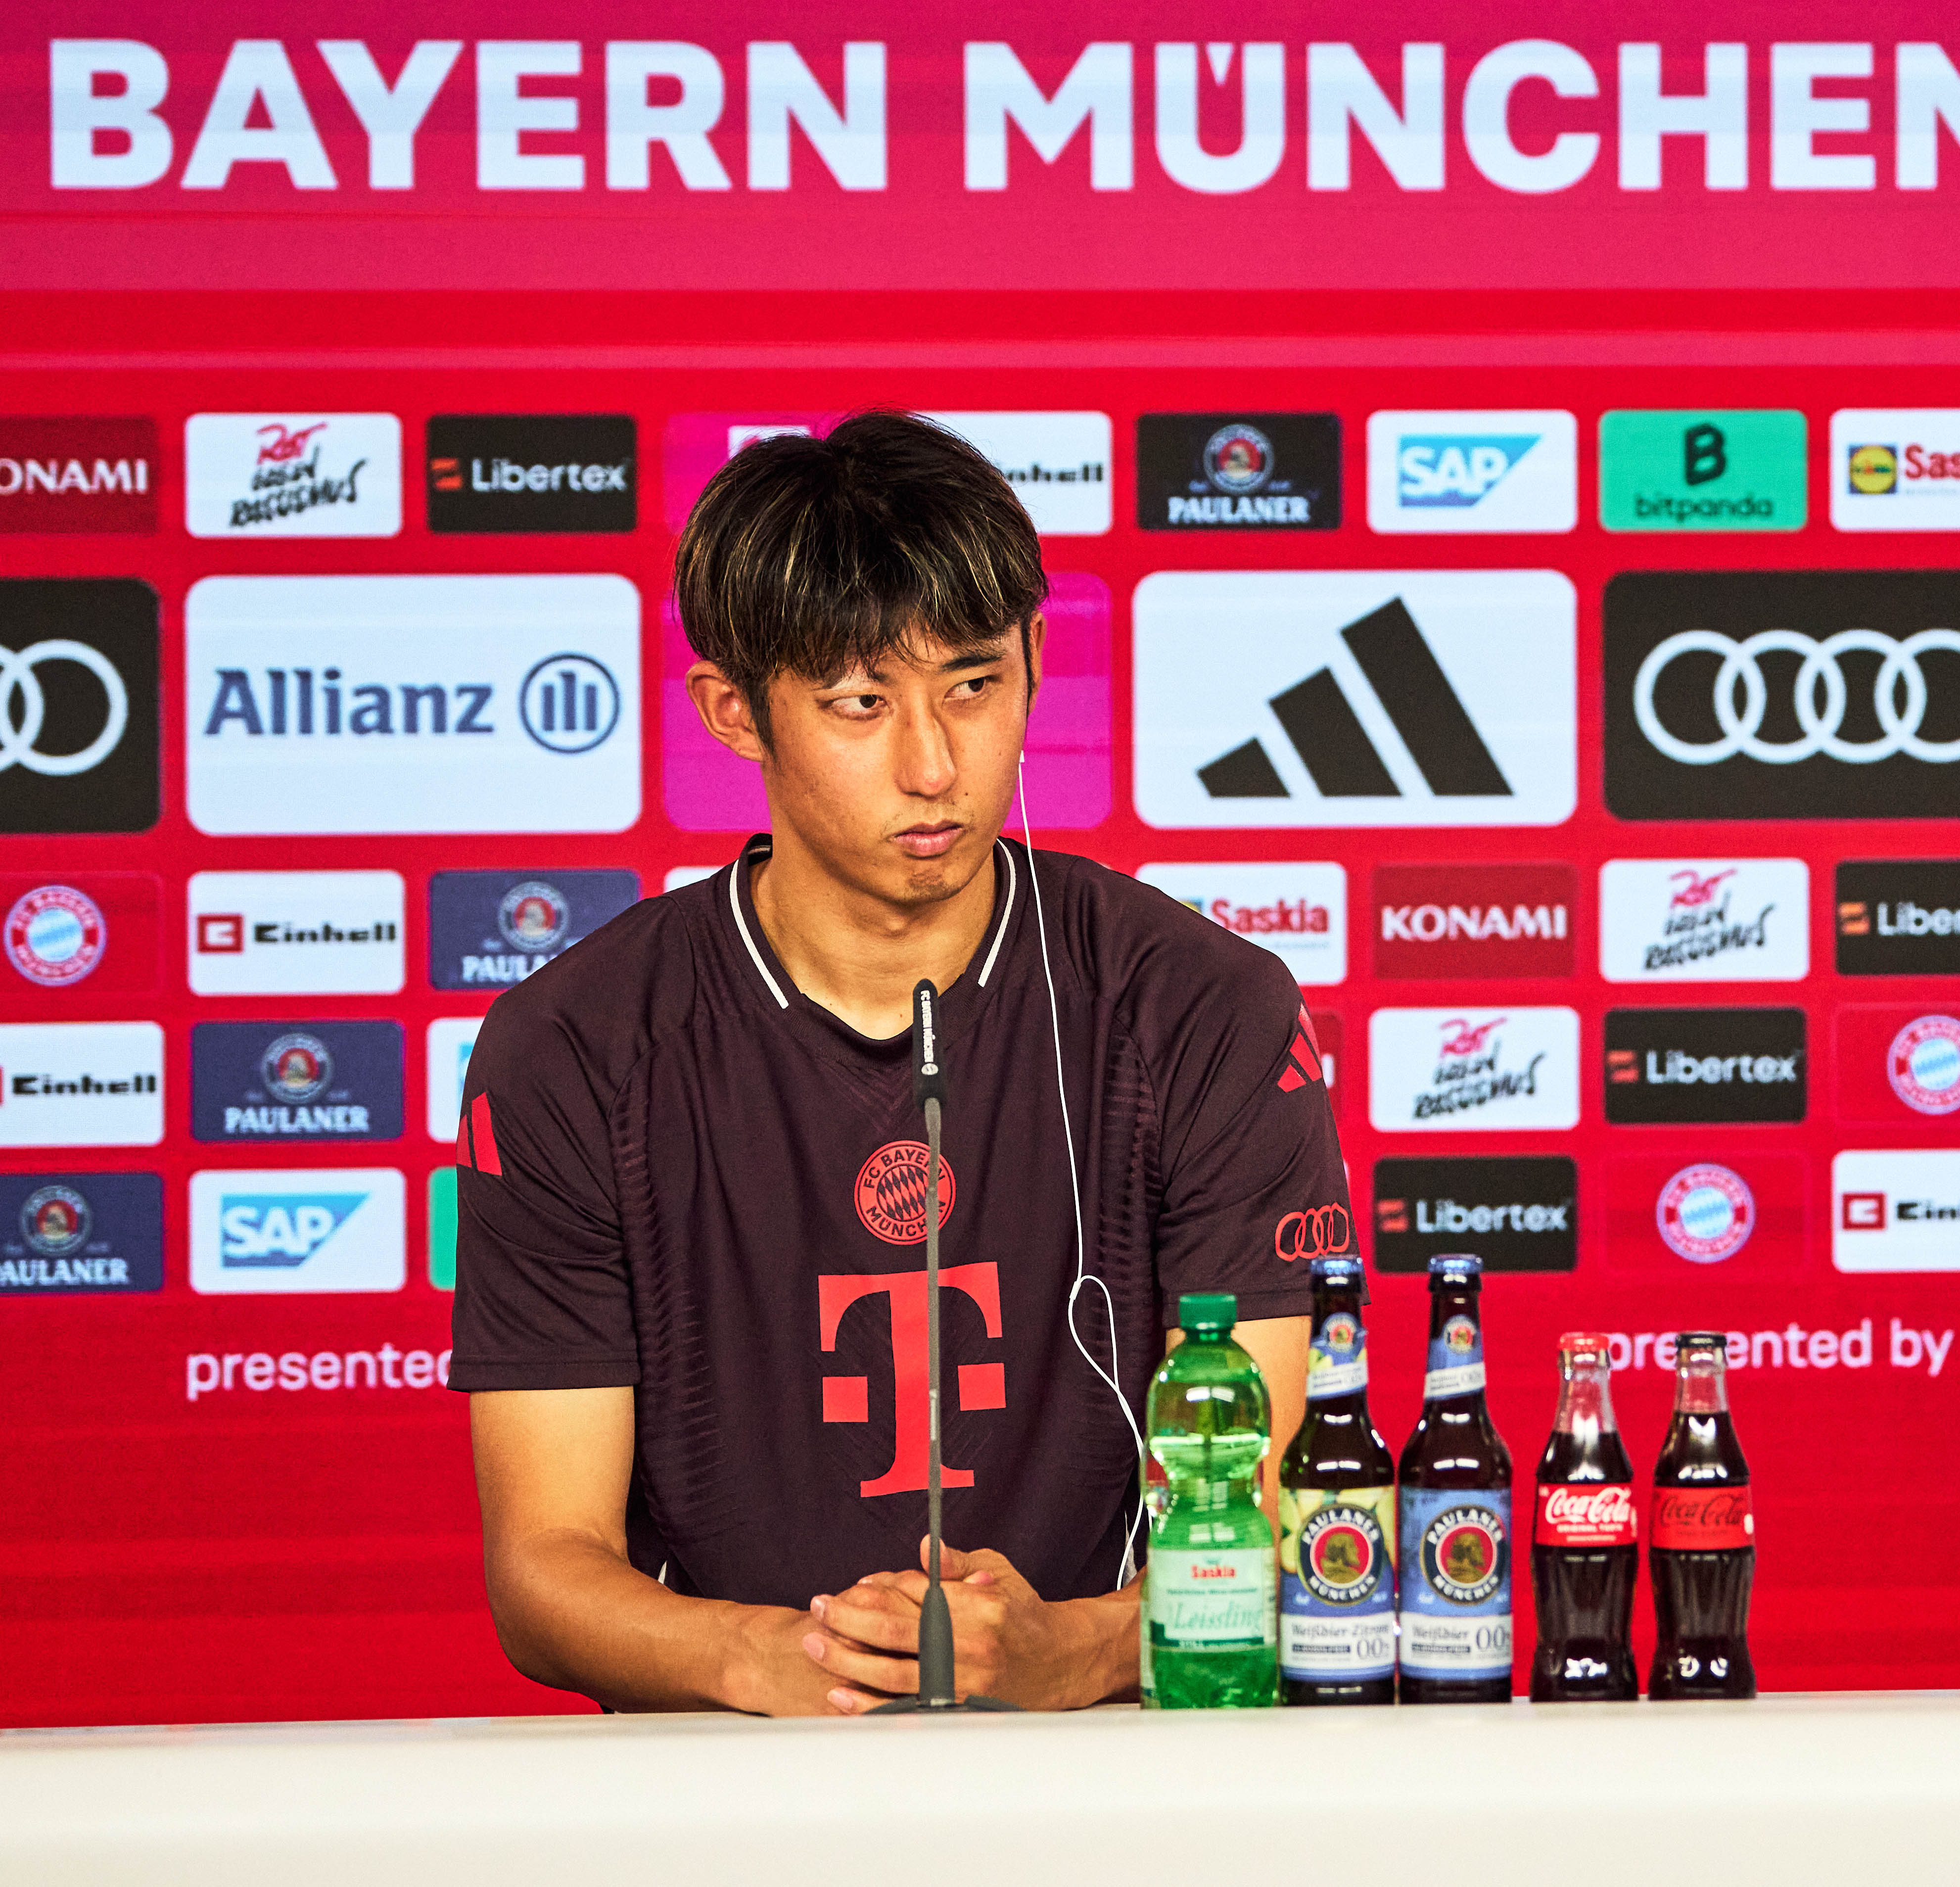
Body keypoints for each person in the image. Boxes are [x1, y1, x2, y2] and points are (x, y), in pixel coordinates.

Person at [452, 412, 1346, 1713]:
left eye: (973, 684)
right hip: (727, 1783)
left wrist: (1081, 1649)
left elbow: (1283, 1513)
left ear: (1038, 660)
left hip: (1129, 1771)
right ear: (733, 712)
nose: (933, 764)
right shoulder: (575, 1047)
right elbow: (544, 1567)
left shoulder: (1203, 1007)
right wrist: (766, 1655)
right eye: (860, 702)